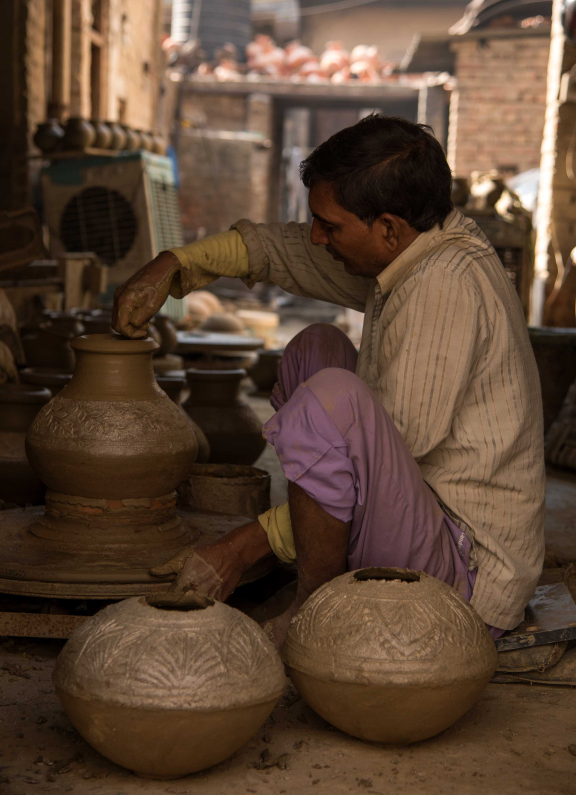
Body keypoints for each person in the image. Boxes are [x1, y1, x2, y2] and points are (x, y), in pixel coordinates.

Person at [112, 114, 545, 647]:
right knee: (315, 348)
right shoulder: (416, 243)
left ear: (388, 227)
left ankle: (311, 614)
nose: (318, 236)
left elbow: (368, 467)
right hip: (427, 518)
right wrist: (175, 261)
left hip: (468, 578)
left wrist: (246, 545)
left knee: (331, 401)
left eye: (331, 226)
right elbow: (287, 252)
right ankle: (326, 577)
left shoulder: (444, 287)